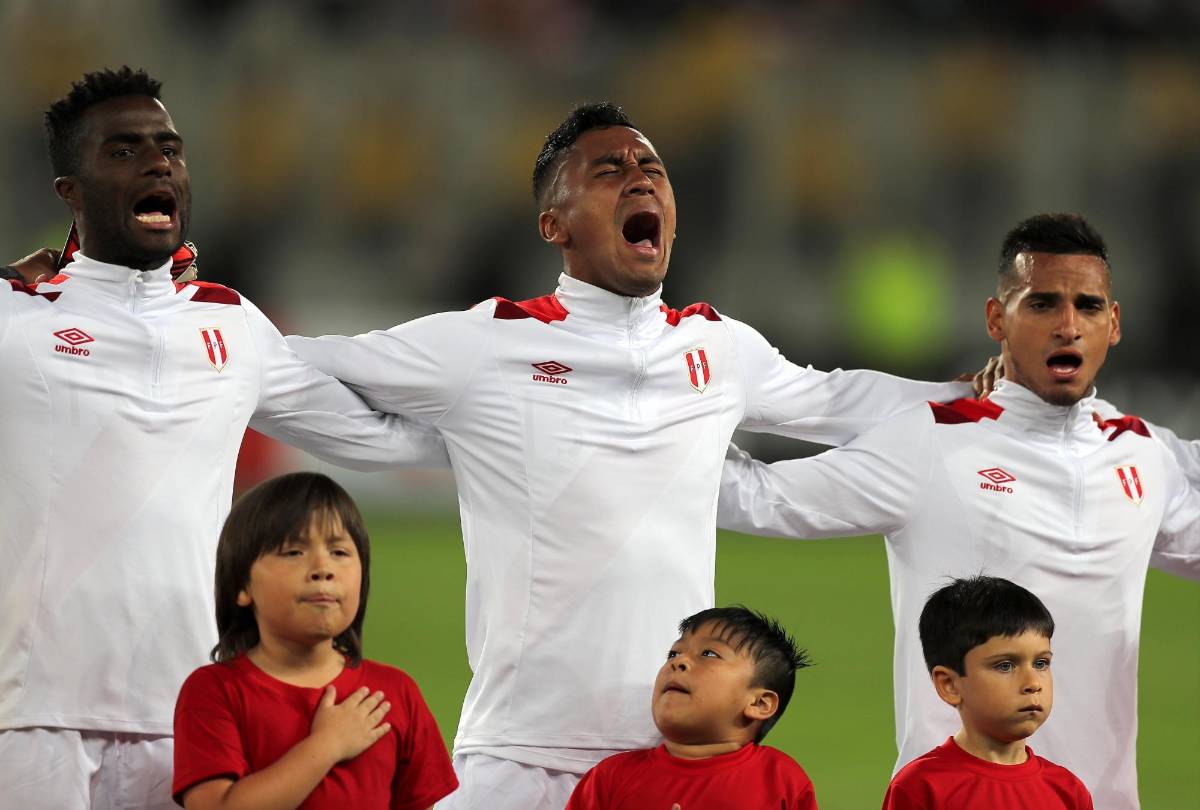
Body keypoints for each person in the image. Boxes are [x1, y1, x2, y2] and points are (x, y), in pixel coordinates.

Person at [284, 102, 973, 808]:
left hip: (668, 760)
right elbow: (295, 364)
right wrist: (212, 336)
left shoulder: (717, 348)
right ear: (554, 225)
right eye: (609, 170)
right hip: (522, 759)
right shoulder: (490, 343)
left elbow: (836, 399)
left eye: (651, 168)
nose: (639, 178)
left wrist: (977, 393)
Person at [0, 67, 446, 809]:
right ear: (69, 191)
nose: (157, 164)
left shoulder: (230, 324)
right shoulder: (17, 315)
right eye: (124, 150)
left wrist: (522, 436)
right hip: (32, 716)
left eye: (170, 148)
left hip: (185, 715)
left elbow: (376, 438)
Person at [717, 213, 1200, 809]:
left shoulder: (1142, 453)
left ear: (1115, 323)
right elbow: (757, 496)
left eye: (1088, 306)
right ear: (997, 319)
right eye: (1042, 304)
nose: (1068, 325)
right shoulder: (933, 442)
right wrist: (652, 430)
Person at [173, 472, 457, 810]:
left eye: (339, 552)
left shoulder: (394, 695)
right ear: (242, 586)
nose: (323, 568)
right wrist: (327, 746)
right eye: (294, 552)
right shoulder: (214, 692)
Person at [565, 606, 817, 810]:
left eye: (709, 654)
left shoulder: (780, 779)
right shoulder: (611, 777)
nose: (679, 662)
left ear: (759, 703)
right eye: (673, 654)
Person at [881, 576, 1092, 809]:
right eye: (1005, 666)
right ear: (950, 684)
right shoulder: (919, 788)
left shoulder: (1069, 791)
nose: (1033, 683)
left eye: (1041, 663)